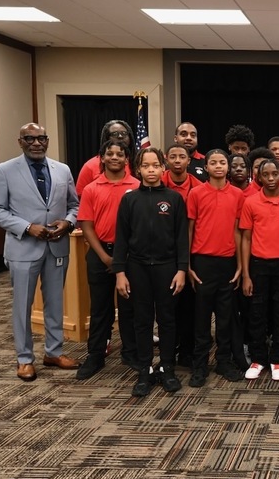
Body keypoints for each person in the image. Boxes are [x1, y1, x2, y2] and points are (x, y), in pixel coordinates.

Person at [0, 123, 80, 381]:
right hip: (23, 249)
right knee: (22, 306)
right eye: (30, 138)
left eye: (41, 138)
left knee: (55, 303)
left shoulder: (62, 169)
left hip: (57, 246)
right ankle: (25, 359)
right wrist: (27, 227)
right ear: (20, 141)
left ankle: (54, 352)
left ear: (47, 141)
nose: (36, 143)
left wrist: (68, 222)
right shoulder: (5, 170)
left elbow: (75, 204)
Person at [114, 147, 189, 396]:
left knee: (168, 320)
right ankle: (144, 369)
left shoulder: (174, 199)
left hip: (168, 268)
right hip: (137, 268)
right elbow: (121, 239)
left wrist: (182, 270)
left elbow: (181, 239)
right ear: (138, 169)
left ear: (162, 168)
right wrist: (120, 273)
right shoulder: (129, 200)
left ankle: (167, 367)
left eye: (155, 165)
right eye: (145, 166)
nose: (151, 170)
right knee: (142, 320)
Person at [76, 140, 140, 380]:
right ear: (101, 158)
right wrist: (103, 256)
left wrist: (123, 259)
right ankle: (95, 355)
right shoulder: (92, 188)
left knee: (130, 307)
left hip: (131, 255)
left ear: (127, 159)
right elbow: (86, 225)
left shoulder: (137, 186)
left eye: (120, 154)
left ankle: (131, 352)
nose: (115, 157)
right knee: (100, 307)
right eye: (109, 154)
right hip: (100, 252)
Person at [187, 149, 246, 387]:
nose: (219, 166)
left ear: (228, 167)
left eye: (223, 162)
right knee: (201, 318)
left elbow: (238, 232)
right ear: (206, 167)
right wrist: (188, 265)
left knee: (225, 318)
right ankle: (200, 365)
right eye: (214, 162)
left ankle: (223, 361)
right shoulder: (196, 193)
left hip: (227, 262)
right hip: (202, 262)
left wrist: (241, 266)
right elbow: (190, 230)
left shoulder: (237, 195)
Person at [239, 159, 279, 381]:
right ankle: (258, 359)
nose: (272, 178)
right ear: (259, 177)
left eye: (276, 174)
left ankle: (277, 359)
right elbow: (245, 239)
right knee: (257, 313)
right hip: (258, 265)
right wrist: (246, 274)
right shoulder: (251, 202)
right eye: (267, 175)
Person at [161, 143, 201, 367]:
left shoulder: (197, 187)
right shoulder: (156, 184)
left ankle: (187, 350)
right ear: (166, 159)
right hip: (164, 254)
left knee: (188, 306)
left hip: (189, 253)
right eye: (173, 156)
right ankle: (168, 350)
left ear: (189, 161)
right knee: (167, 306)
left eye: (182, 157)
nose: (177, 160)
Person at [75, 120, 134, 197]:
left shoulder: (137, 162)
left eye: (124, 133)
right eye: (115, 134)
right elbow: (80, 196)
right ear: (106, 137)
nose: (120, 136)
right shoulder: (90, 166)